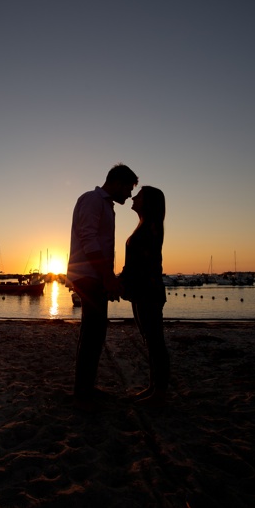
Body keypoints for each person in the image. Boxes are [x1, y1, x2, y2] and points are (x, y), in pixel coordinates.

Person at [67, 163, 139, 411]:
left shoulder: (105, 205)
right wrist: (107, 276)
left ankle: (85, 387)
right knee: (93, 332)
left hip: (94, 275)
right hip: (88, 275)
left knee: (94, 332)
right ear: (118, 182)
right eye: (129, 188)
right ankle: (83, 392)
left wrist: (108, 276)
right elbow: (88, 238)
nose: (129, 195)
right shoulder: (92, 200)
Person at [119, 186, 169, 407]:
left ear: (147, 201)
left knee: (155, 341)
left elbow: (144, 264)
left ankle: (160, 392)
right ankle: (153, 387)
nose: (132, 196)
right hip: (141, 290)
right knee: (150, 340)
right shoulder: (144, 224)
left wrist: (120, 282)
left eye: (138, 195)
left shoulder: (151, 227)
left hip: (148, 291)